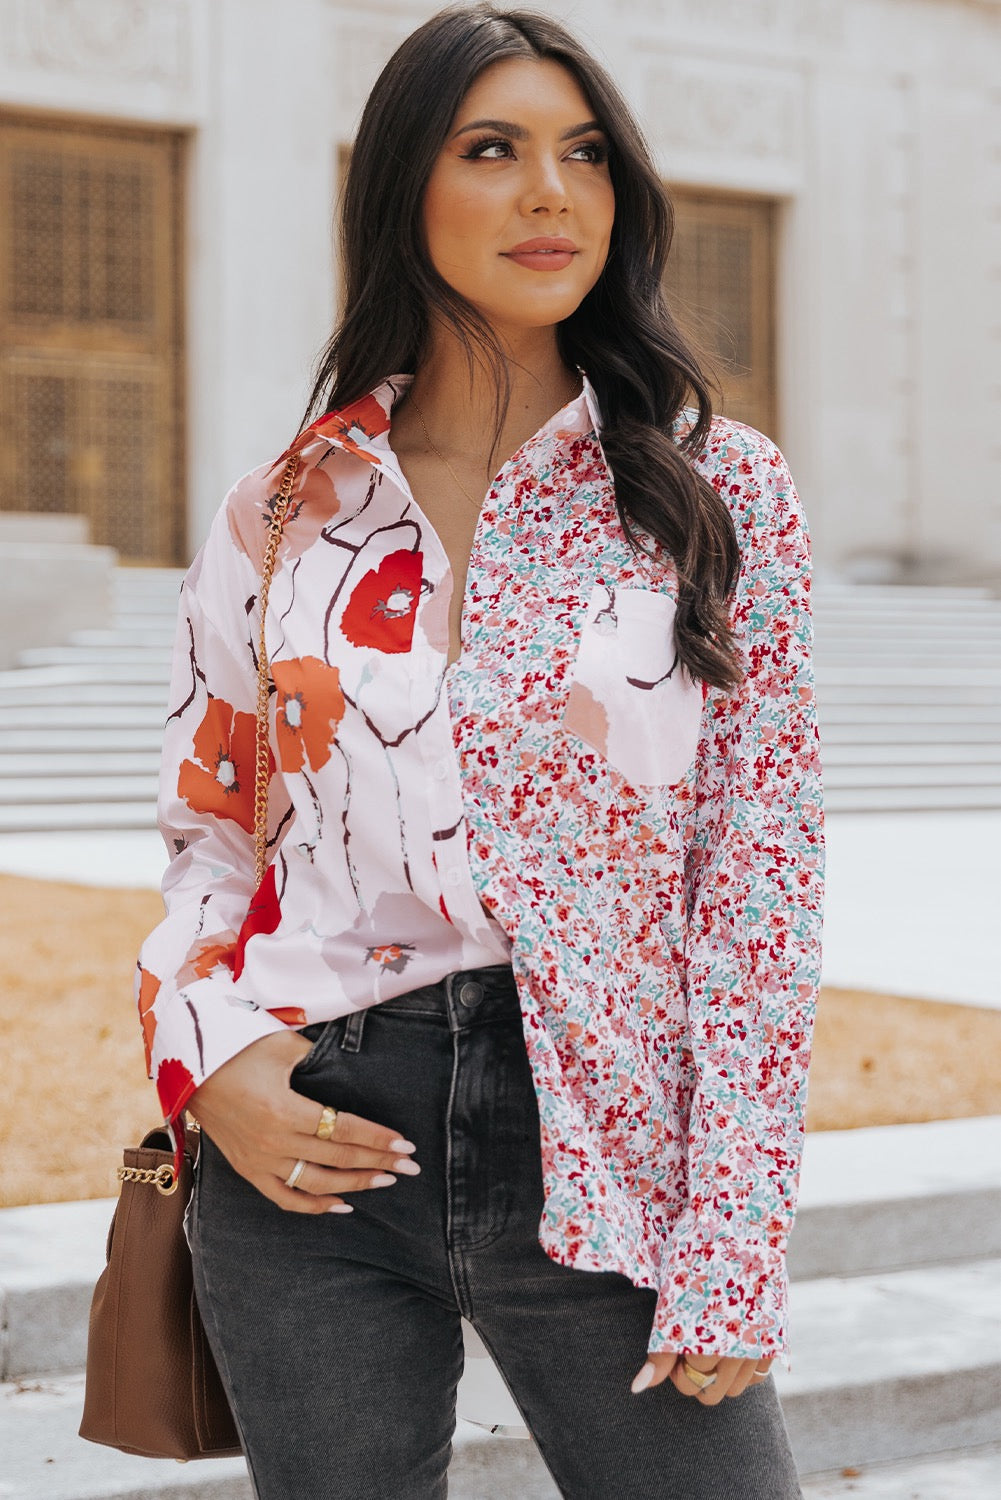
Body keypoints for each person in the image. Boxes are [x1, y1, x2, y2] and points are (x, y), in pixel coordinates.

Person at [136, 5, 824, 1496]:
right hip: (310, 1124)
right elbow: (208, 835)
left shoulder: (716, 492)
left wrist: (736, 1224)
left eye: (584, 154)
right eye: (492, 149)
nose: (550, 195)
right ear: (403, 189)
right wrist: (212, 1059)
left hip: (600, 1129)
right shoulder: (283, 510)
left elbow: (756, 875)